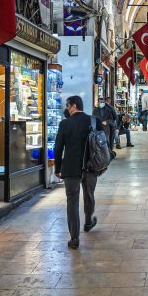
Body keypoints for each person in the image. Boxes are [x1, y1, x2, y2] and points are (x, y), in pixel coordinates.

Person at [54, 95, 102, 249]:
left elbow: (58, 148)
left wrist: (58, 168)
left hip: (71, 168)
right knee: (89, 195)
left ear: (74, 106)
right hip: (90, 167)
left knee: (72, 202)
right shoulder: (94, 121)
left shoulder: (65, 124)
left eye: (68, 106)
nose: (67, 109)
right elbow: (102, 144)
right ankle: (88, 222)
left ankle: (74, 238)